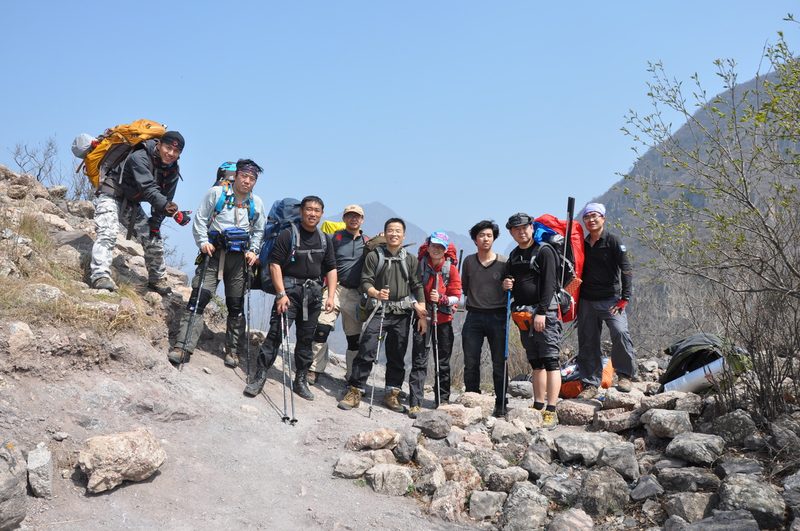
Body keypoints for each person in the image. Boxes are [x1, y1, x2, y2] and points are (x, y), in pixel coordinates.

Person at [168, 159, 266, 367]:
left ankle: (233, 351)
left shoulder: (256, 203)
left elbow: (259, 230)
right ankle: (182, 346)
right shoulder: (216, 194)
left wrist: (254, 251)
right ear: (236, 176)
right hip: (213, 254)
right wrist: (203, 242)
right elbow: (200, 219)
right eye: (244, 176)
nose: (247, 181)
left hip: (239, 260)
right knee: (198, 298)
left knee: (236, 306)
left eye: (252, 178)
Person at [244, 196, 337, 400]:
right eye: (309, 209)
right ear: (301, 211)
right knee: (276, 335)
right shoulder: (288, 234)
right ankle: (260, 376)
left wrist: (330, 296)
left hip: (313, 295)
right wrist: (280, 294)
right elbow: (275, 264)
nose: (312, 213)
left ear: (322, 214)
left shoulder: (324, 239)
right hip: (289, 293)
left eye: (317, 210)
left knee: (306, 339)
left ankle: (300, 380)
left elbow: (331, 268)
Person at [338, 218, 427, 413]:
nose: (394, 234)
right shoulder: (374, 256)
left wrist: (422, 313)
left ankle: (392, 393)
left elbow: (417, 285)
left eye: (398, 231)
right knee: (367, 349)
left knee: (397, 354)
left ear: (404, 235)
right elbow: (365, 281)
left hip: (402, 312)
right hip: (378, 309)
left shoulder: (410, 259)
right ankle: (355, 390)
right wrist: (376, 293)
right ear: (385, 234)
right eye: (390, 230)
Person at [89, 131, 187, 294]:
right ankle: (100, 276)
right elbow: (148, 188)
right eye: (168, 148)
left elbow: (165, 198)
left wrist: (155, 223)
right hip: (111, 194)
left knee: (153, 239)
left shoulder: (172, 171)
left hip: (131, 203)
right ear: (159, 144)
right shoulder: (139, 157)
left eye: (176, 151)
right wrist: (172, 210)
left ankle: (157, 280)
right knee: (108, 233)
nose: (171, 153)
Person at [502, 212, 561, 428]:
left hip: (544, 313)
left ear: (532, 227)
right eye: (516, 229)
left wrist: (542, 312)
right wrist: (506, 283)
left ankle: (551, 409)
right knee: (536, 362)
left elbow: (550, 283)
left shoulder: (544, 251)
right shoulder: (514, 255)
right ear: (511, 232)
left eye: (525, 227)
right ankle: (538, 405)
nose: (521, 232)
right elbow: (510, 278)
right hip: (524, 315)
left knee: (551, 360)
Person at [575, 202, 636, 399]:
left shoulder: (613, 241)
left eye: (595, 216)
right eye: (587, 217)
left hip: (611, 300)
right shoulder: (581, 244)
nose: (591, 220)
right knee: (588, 341)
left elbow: (626, 269)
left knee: (620, 332)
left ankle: (624, 375)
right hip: (586, 300)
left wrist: (625, 297)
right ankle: (590, 384)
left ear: (603, 218)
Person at [308, 204, 369, 384]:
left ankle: (352, 375)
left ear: (362, 220)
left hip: (356, 294)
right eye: (350, 215)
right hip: (334, 289)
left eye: (357, 216)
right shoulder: (334, 238)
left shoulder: (368, 242)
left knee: (354, 338)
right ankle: (314, 369)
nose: (353, 219)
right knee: (321, 329)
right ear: (344, 219)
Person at [408, 231, 462, 418]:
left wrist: (442, 299)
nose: (436, 249)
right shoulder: (420, 266)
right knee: (419, 360)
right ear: (428, 246)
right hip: (422, 317)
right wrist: (417, 307)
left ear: (445, 249)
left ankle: (442, 401)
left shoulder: (450, 269)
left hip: (443, 320)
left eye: (440, 247)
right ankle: (415, 402)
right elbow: (411, 289)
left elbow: (457, 296)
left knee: (443, 362)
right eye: (434, 246)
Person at [460, 220, 509, 417]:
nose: (485, 239)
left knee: (499, 362)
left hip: (498, 316)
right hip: (474, 316)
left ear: (494, 238)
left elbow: (511, 288)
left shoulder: (504, 262)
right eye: (481, 235)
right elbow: (465, 287)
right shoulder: (469, 262)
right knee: (471, 360)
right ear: (475, 239)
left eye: (489, 235)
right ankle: (473, 399)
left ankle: (501, 403)